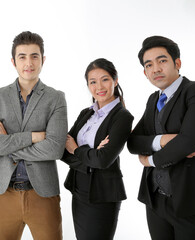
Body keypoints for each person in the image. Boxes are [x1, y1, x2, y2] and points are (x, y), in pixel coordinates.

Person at [127, 36, 195, 240]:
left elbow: (189, 142)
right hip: (155, 200)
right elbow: (133, 141)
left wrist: (149, 160)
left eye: (162, 61)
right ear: (145, 72)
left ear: (177, 63)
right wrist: (163, 140)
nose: (156, 68)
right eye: (149, 65)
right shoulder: (153, 100)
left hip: (191, 200)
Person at [0, 31, 67, 240]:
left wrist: (7, 141)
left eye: (34, 56)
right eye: (22, 56)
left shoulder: (56, 98)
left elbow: (54, 148)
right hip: (4, 194)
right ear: (13, 61)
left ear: (43, 60)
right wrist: (33, 137)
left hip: (43, 194)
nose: (29, 62)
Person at [62, 58, 134, 240]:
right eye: (92, 82)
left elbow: (103, 160)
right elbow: (63, 151)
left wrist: (77, 150)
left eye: (105, 79)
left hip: (102, 195)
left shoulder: (122, 117)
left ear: (115, 81)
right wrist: (90, 155)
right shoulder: (86, 113)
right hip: (79, 190)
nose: (99, 86)